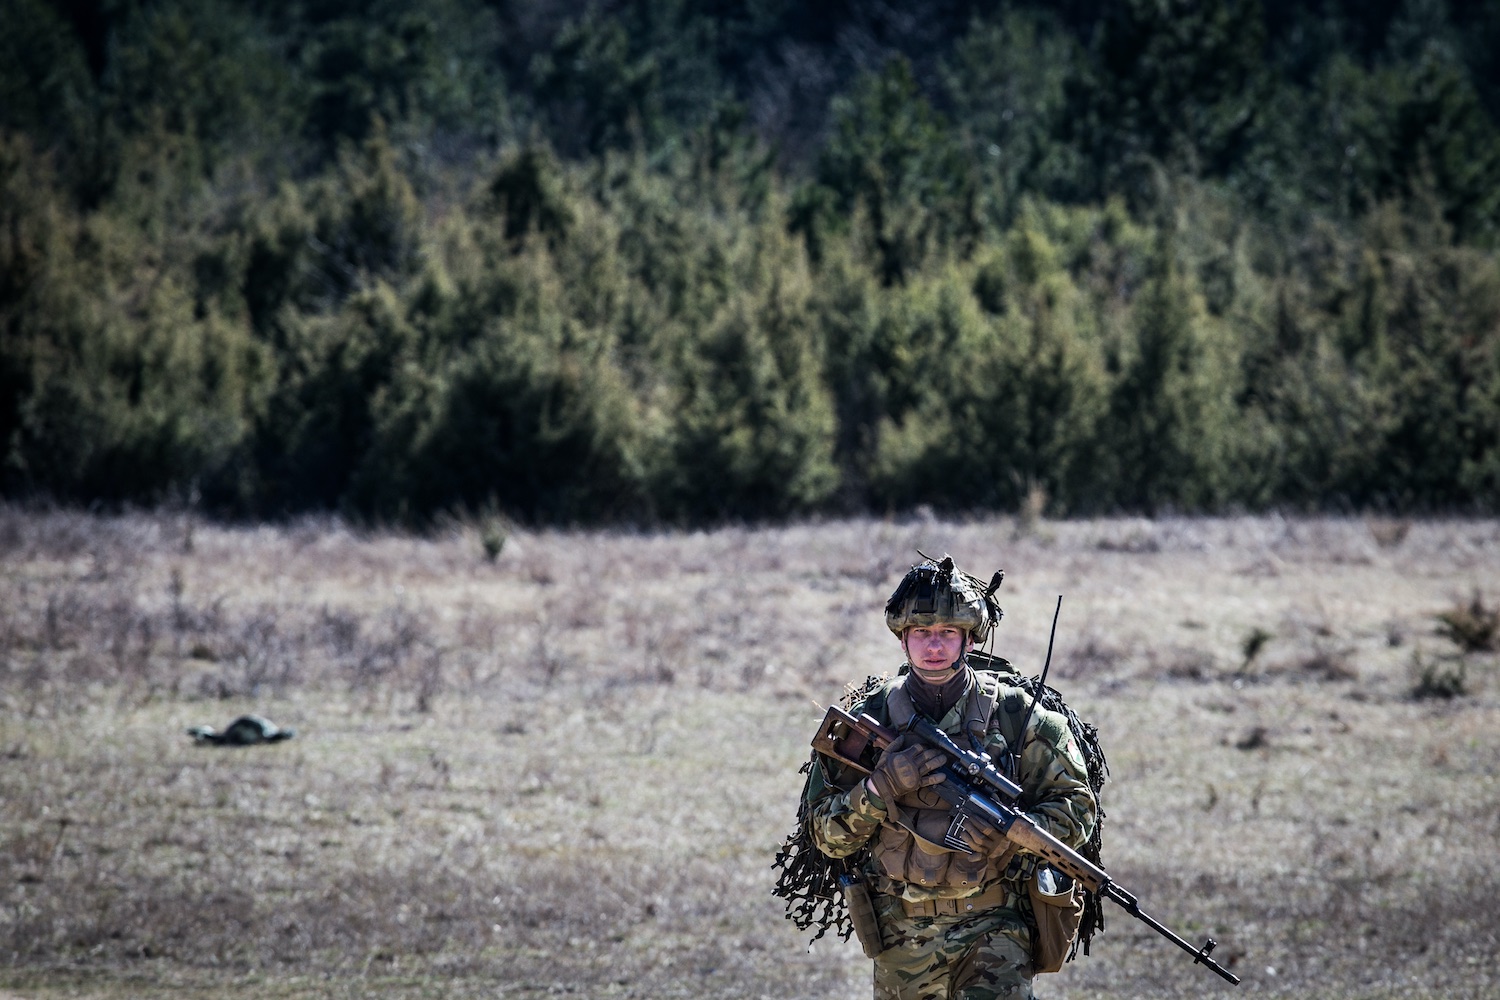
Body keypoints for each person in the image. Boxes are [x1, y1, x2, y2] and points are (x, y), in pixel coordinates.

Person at [802, 556, 1097, 1000]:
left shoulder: (1023, 718)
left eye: (947, 633)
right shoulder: (867, 719)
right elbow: (826, 837)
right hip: (901, 937)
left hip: (996, 930)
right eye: (921, 633)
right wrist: (879, 790)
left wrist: (1007, 839)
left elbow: (1076, 810)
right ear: (903, 641)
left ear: (970, 640)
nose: (933, 645)